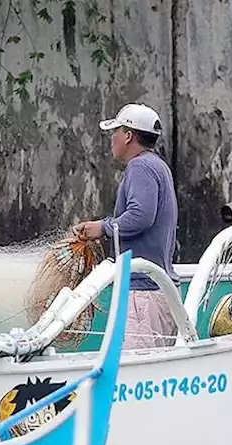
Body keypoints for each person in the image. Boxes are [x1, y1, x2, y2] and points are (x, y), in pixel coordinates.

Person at [71, 102, 179, 350]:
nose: (112, 138)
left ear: (129, 136)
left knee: (135, 373)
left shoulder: (140, 166)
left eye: (116, 132)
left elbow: (141, 215)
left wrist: (103, 228)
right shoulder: (158, 166)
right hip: (158, 290)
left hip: (143, 293)